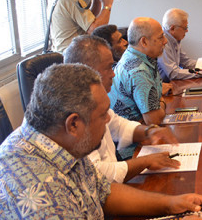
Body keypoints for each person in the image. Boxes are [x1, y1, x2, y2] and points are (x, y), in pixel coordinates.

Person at [0, 64, 202, 220]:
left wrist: (170, 204)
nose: (109, 120)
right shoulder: (31, 188)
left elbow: (103, 192)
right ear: (73, 124)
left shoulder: (57, 144)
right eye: (102, 115)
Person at [64, 35, 181, 182]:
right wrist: (145, 161)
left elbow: (117, 125)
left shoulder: (94, 98)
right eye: (108, 68)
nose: (113, 73)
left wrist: (149, 131)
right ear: (87, 70)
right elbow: (98, 175)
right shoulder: (74, 111)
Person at [110, 17, 168, 125]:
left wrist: (159, 101)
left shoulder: (135, 56)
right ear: (144, 42)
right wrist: (162, 102)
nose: (165, 41)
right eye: (161, 37)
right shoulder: (138, 71)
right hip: (135, 139)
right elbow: (154, 120)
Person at [157, 8, 202, 82]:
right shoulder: (163, 42)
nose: (187, 31)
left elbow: (186, 62)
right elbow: (173, 73)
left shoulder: (175, 39)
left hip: (172, 84)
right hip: (164, 89)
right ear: (172, 28)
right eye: (185, 28)